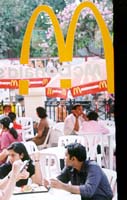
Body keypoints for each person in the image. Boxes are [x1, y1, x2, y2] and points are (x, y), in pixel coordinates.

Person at [44, 143, 113, 200]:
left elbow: (88, 191)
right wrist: (50, 183)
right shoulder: (70, 167)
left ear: (73, 159)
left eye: (66, 155)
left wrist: (62, 186)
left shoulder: (93, 167)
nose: (63, 158)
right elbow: (60, 180)